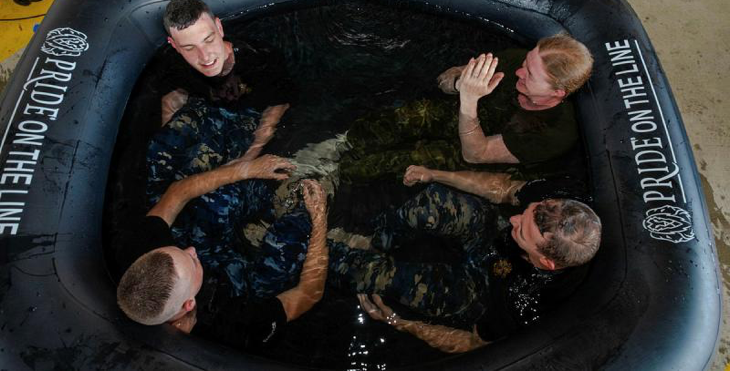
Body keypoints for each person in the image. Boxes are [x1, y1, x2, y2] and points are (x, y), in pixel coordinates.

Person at [327, 165, 601, 353]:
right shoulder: (563, 201)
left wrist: (399, 322)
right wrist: (436, 174)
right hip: (490, 239)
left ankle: (317, 253)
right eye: (526, 211)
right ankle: (376, 240)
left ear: (546, 262)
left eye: (521, 229)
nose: (515, 218)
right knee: (432, 204)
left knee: (376, 275)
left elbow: (474, 342)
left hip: (483, 288)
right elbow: (505, 189)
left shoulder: (525, 302)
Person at [116, 157, 329, 349]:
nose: (191, 250)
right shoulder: (233, 327)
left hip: (211, 261)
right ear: (189, 304)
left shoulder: (140, 257)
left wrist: (247, 169)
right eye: (191, 260)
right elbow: (307, 295)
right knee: (293, 236)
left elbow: (176, 194)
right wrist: (319, 220)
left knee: (218, 203)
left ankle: (266, 199)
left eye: (179, 250)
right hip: (242, 291)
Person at [339, 33, 593, 183]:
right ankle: (343, 144)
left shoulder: (555, 132)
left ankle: (342, 174)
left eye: (530, 75)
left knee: (406, 160)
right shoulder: (516, 61)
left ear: (557, 92)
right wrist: (461, 81)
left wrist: (470, 100)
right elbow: (446, 79)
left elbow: (476, 154)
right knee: (407, 116)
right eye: (526, 63)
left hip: (476, 150)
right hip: (469, 112)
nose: (518, 72)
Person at [157, 0, 296, 161]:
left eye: (209, 40)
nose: (205, 57)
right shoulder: (175, 67)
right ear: (174, 45)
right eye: (189, 48)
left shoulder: (259, 59)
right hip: (213, 121)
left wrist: (247, 159)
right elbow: (170, 102)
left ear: (219, 28)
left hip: (253, 122)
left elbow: (278, 104)